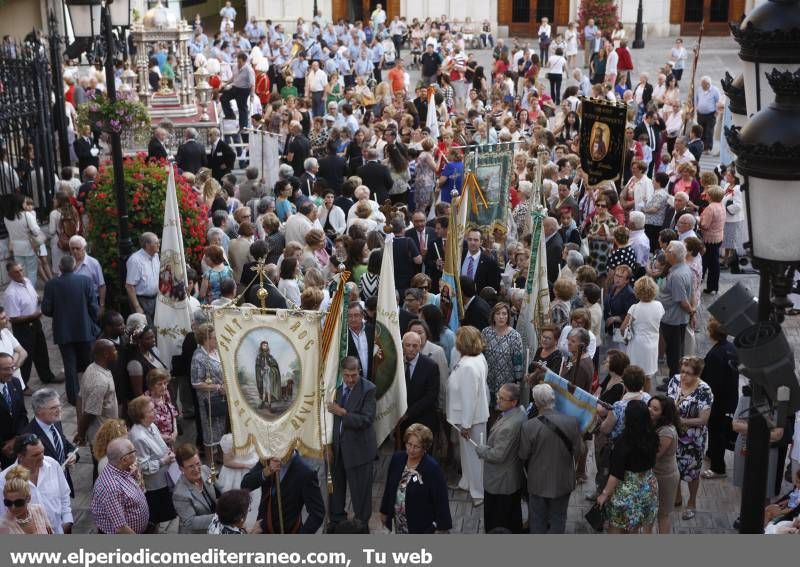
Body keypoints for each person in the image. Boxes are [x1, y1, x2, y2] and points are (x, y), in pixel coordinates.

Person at [519, 383, 582, 534]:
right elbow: (578, 451)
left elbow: (523, 455)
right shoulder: (572, 422)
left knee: (538, 520)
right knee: (559, 519)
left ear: (536, 402)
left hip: (538, 483)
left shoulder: (529, 426)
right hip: (563, 481)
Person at [41, 255, 97, 407]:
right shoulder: (85, 281)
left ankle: (73, 398)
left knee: (69, 365)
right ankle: (92, 393)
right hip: (84, 329)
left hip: (63, 331)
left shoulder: (51, 285)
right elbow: (93, 306)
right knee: (89, 364)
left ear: (60, 267)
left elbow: (46, 309)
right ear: (74, 266)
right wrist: (92, 321)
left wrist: (59, 314)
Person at [327, 356, 376, 527]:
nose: (349, 379)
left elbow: (366, 420)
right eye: (346, 375)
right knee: (337, 490)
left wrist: (342, 413)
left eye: (353, 375)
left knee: (361, 494)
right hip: (338, 449)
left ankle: (361, 526)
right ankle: (337, 520)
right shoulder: (336, 388)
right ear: (342, 373)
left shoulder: (369, 389)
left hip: (360, 452)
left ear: (359, 371)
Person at [596, 400, 659, 534]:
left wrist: (604, 494)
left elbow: (616, 475)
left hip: (625, 493)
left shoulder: (622, 442)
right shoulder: (653, 436)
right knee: (634, 528)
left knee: (616, 529)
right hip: (648, 488)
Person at [380, 423, 451, 534]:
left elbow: (441, 500)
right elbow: (389, 487)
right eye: (409, 444)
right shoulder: (397, 459)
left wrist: (441, 527)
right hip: (399, 523)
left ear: (424, 447)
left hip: (421, 527)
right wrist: (384, 511)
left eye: (416, 446)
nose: (411, 450)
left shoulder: (432, 468)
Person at [446, 326, 489, 507]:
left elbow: (469, 398)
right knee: (466, 454)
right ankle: (466, 481)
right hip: (465, 417)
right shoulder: (476, 358)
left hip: (471, 419)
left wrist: (466, 425)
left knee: (475, 457)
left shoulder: (469, 366)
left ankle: (478, 493)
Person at [475, 383, 526, 533]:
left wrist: (481, 450)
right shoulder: (519, 412)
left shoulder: (509, 426)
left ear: (514, 402)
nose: (498, 400)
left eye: (502, 399)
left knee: (498, 521)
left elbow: (498, 455)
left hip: (501, 482)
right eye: (498, 396)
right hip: (509, 479)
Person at [667, 356, 713, 520]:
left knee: (692, 473)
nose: (684, 376)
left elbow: (703, 419)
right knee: (675, 468)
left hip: (693, 440)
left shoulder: (704, 390)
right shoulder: (675, 381)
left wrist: (681, 420)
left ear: (697, 374)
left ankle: (692, 502)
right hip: (675, 436)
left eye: (688, 373)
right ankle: (677, 496)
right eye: (682, 371)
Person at [0, 433, 72, 533]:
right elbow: (4, 513)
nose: (42, 457)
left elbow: (64, 494)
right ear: (20, 457)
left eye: (42, 452)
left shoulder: (53, 464)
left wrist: (67, 520)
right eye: (35, 455)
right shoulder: (4, 480)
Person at [241, 450, 326, 534]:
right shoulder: (266, 460)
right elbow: (245, 484)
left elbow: (317, 513)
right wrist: (267, 471)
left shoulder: (305, 472)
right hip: (262, 530)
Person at [4, 261, 57, 387]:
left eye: (21, 270)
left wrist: (38, 300)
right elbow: (13, 318)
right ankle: (23, 385)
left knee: (42, 351)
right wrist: (32, 316)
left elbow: (33, 296)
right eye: (16, 272)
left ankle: (47, 376)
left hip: (36, 322)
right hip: (23, 327)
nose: (20, 273)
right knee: (26, 357)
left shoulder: (27, 281)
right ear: (10, 275)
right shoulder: (10, 293)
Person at [128, 395, 176, 531]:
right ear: (141, 415)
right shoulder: (137, 437)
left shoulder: (151, 425)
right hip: (154, 485)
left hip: (164, 478)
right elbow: (142, 466)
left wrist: (167, 449)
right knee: (155, 518)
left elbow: (157, 443)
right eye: (151, 410)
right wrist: (163, 461)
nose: (155, 412)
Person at [700, 318, 739, 479]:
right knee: (718, 429)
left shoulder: (715, 355)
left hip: (719, 401)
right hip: (730, 396)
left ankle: (718, 467)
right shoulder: (731, 347)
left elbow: (712, 383)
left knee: (717, 432)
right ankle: (711, 453)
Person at [90, 437, 149, 534]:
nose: (136, 454)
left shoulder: (122, 469)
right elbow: (121, 528)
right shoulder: (111, 487)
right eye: (134, 451)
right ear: (124, 460)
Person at [23, 389, 77, 493]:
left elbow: (65, 443)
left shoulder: (55, 422)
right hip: (46, 491)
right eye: (53, 408)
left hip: (64, 484)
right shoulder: (29, 435)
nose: (59, 410)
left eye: (59, 406)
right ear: (39, 410)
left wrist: (72, 454)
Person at [657, 241, 694, 388]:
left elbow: (683, 301)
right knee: (673, 351)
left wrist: (692, 313)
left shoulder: (678, 275)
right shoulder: (682, 268)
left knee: (674, 354)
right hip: (672, 318)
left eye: (667, 252)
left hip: (673, 320)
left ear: (673, 255)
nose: (665, 253)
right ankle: (673, 378)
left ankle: (673, 383)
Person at [190, 324, 226, 466]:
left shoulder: (217, 351)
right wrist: (217, 387)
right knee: (210, 431)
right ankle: (211, 464)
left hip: (221, 398)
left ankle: (221, 457)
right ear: (205, 339)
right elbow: (195, 382)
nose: (216, 339)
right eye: (214, 337)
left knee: (221, 429)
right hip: (208, 401)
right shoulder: (198, 357)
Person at [74, 340, 119, 453]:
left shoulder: (91, 367)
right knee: (102, 466)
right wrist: (81, 433)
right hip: (103, 437)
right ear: (106, 354)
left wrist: (80, 426)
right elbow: (90, 413)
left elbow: (80, 398)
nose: (116, 352)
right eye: (114, 350)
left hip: (105, 432)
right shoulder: (100, 382)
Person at [619, 276, 664, 384]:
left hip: (637, 345)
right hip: (652, 343)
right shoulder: (659, 305)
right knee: (647, 377)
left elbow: (622, 328)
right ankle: (645, 398)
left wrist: (625, 339)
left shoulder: (634, 308)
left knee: (633, 374)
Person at [481, 302, 523, 411]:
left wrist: (518, 382)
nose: (501, 317)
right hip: (488, 380)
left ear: (508, 316)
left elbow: (518, 361)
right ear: (493, 316)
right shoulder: (486, 332)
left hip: (506, 383)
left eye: (504, 314)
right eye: (498, 313)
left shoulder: (515, 336)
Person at [648, 394, 681, 534]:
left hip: (664, 477)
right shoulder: (653, 423)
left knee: (662, 514)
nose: (650, 410)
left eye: (655, 409)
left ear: (664, 413)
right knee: (648, 515)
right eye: (649, 406)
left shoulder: (667, 431)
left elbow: (654, 455)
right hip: (653, 474)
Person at [398, 332, 439, 440]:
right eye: (407, 345)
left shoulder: (431, 366)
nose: (411, 349)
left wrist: (408, 413)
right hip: (401, 422)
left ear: (420, 347)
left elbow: (431, 396)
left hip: (423, 421)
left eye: (415, 346)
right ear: (402, 346)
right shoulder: (397, 364)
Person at [172, 443, 219, 534]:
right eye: (191, 466)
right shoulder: (179, 494)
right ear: (181, 468)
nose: (197, 469)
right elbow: (190, 522)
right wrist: (219, 517)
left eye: (198, 463)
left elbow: (219, 487)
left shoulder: (205, 469)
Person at [4, 193, 44, 286]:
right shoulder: (27, 215)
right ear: (20, 203)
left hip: (16, 247)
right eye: (24, 202)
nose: (26, 204)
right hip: (28, 246)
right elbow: (36, 231)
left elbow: (10, 233)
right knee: (32, 271)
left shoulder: (6, 218)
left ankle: (23, 289)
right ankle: (30, 290)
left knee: (20, 272)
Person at [2, 465, 53, 534]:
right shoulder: (3, 525)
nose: (13, 507)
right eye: (8, 503)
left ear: (28, 498)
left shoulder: (39, 510)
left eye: (18, 502)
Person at [125, 232, 160, 326]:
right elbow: (129, 286)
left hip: (156, 299)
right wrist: (137, 307)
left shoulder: (156, 256)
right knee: (146, 330)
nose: (158, 245)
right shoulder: (135, 260)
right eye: (156, 242)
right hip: (142, 300)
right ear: (147, 245)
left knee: (157, 328)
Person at [699, 185, 726, 294]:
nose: (706, 195)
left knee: (704, 263)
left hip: (709, 239)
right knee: (714, 264)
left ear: (711, 196)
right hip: (718, 237)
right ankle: (713, 286)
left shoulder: (710, 208)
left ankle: (698, 284)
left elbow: (705, 225)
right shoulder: (721, 205)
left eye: (708, 193)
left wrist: (698, 220)